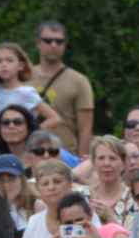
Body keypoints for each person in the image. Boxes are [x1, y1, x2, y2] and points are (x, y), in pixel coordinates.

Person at [32, 21, 94, 154]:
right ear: (38, 43)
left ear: (65, 45)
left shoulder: (79, 81)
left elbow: (85, 128)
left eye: (59, 41)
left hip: (65, 155)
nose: (53, 45)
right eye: (48, 40)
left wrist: (81, 160)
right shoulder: (23, 77)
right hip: (30, 153)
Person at [0, 42, 63, 130]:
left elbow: (54, 119)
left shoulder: (26, 92)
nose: (4, 65)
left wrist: (30, 135)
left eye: (9, 60)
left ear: (20, 66)